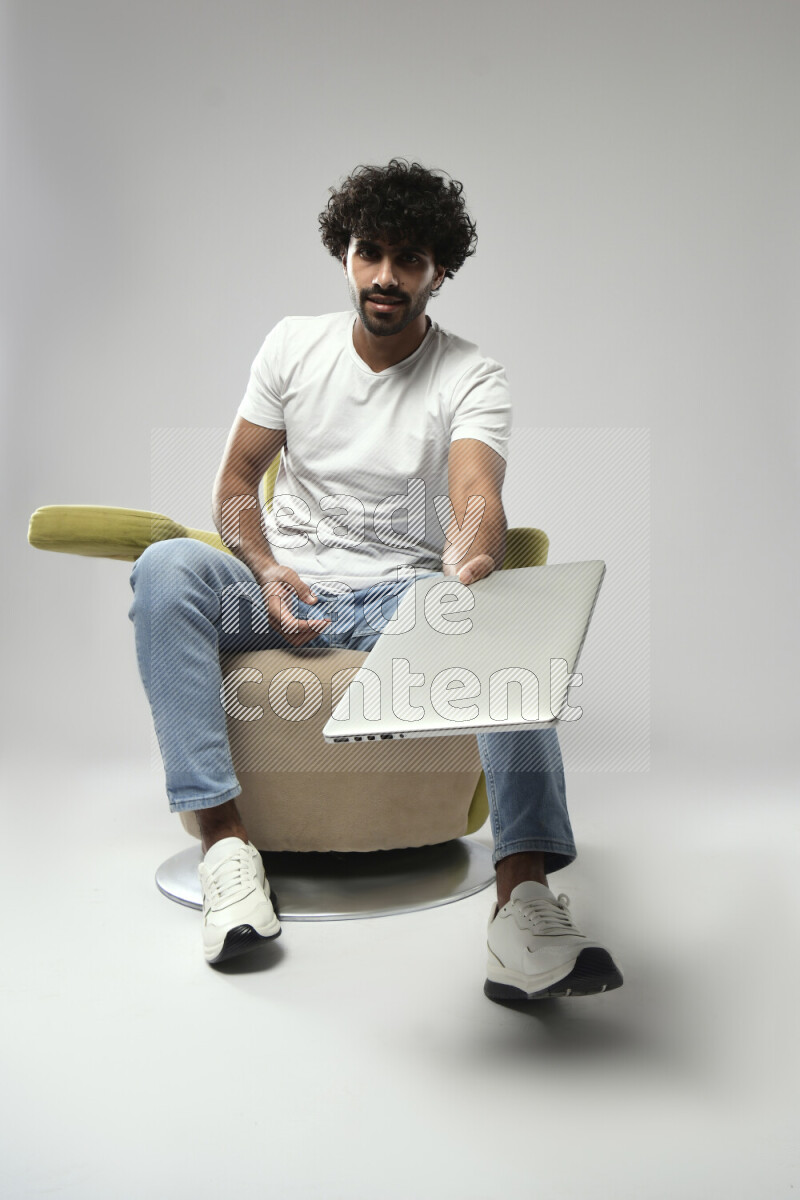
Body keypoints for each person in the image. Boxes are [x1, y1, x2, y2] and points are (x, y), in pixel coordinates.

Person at [128, 159, 623, 1000]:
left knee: (500, 618)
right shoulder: (293, 346)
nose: (386, 275)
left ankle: (522, 903)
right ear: (346, 255)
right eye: (371, 253)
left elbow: (477, 494)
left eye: (409, 258)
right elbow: (238, 483)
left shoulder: (471, 374)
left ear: (439, 270)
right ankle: (226, 850)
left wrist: (470, 556)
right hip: (283, 587)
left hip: (398, 595)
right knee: (165, 566)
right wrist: (265, 565)